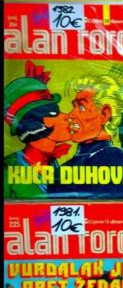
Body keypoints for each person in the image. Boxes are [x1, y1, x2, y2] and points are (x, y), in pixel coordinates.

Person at [56, 71, 123, 198]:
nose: (71, 115)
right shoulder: (65, 167)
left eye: (81, 108)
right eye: (74, 107)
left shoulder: (113, 157)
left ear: (104, 114)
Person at [4, 61, 71, 198]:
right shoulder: (7, 169)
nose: (66, 116)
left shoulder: (55, 163)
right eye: (55, 112)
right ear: (39, 122)